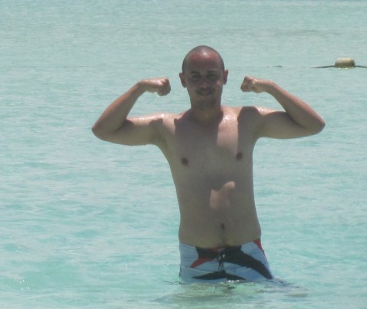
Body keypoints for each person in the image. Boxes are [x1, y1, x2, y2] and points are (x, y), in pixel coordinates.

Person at [91, 45, 325, 283]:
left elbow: (313, 125)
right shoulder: (167, 128)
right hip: (197, 260)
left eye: (212, 76)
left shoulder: (247, 120)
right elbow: (103, 130)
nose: (204, 83)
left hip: (248, 253)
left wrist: (271, 88)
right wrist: (139, 88)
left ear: (224, 77)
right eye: (195, 76)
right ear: (183, 80)